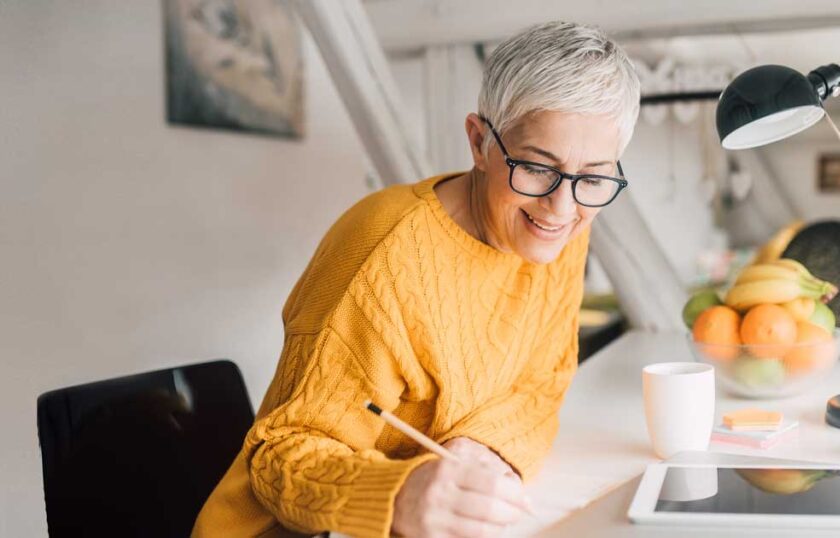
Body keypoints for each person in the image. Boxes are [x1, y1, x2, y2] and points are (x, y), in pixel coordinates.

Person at [193, 20, 640, 538]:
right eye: (537, 168)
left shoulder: (562, 226)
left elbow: (544, 382)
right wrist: (399, 496)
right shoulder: (384, 254)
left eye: (593, 176)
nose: (561, 207)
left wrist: (483, 443)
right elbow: (277, 459)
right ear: (479, 142)